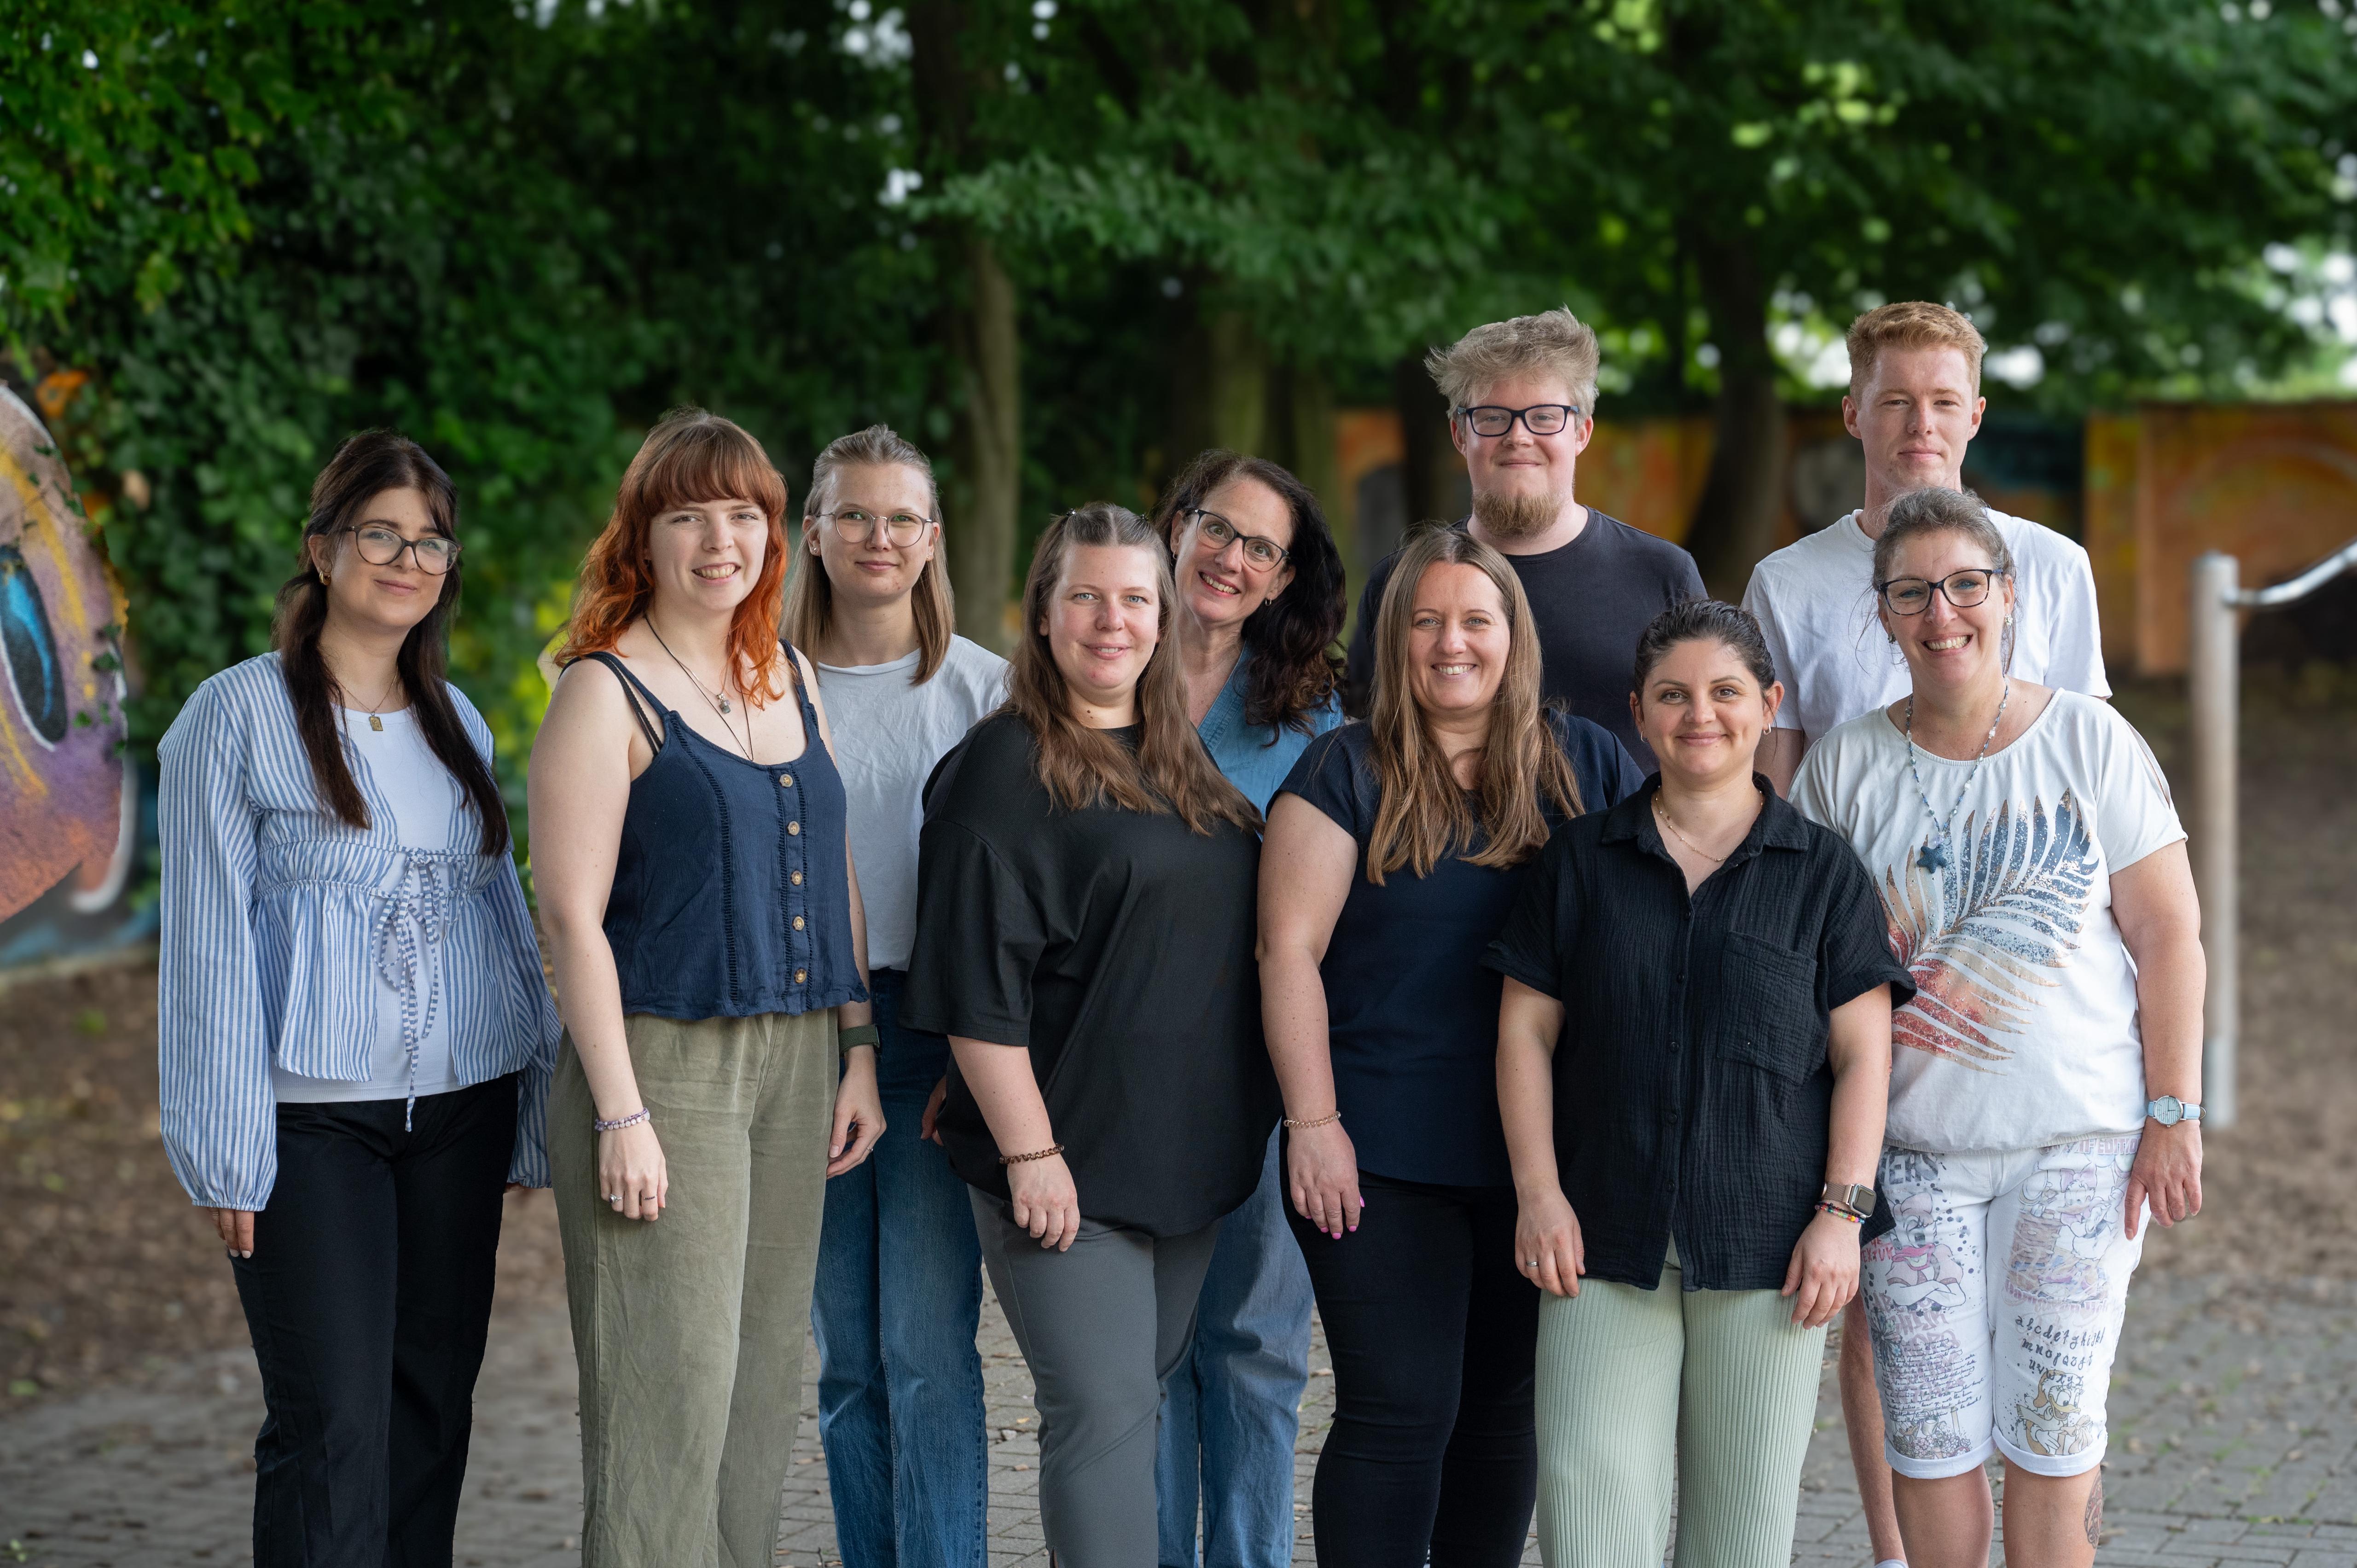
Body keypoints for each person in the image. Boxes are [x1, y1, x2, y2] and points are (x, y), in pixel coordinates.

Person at [1739, 300, 2111, 1568]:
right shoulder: (1790, 584)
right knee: (1890, 1307)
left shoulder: (2051, 566)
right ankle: (1899, 1550)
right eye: (1895, 399)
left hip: (2020, 996)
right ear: (1853, 412)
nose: (1919, 424)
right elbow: (1777, 802)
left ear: (1975, 414)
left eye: (1943, 400)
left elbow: (2087, 783)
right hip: (1865, 987)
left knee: (2049, 1330)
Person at [157, 430, 560, 1566]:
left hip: (460, 1117)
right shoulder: (233, 716)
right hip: (310, 1126)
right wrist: (225, 1147)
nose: (407, 560)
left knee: (430, 1409)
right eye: (380, 533)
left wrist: (532, 1108)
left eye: (430, 541)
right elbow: (205, 946)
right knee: (330, 1424)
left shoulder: (460, 719)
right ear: (322, 548)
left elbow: (499, 920)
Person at [1791, 488, 2204, 1568]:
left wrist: (2173, 1110)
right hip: (1910, 1158)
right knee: (1929, 1441)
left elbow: (2168, 932)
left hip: (2079, 1145)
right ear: (1882, 611)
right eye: (1911, 592)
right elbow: (1811, 976)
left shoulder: (2089, 739)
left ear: (2009, 595)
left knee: (2053, 1432)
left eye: (1965, 584)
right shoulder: (1842, 767)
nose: (1942, 612)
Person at [528, 407, 886, 1567]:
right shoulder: (603, 691)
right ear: (644, 534)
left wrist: (859, 1048)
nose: (720, 540)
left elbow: (835, 868)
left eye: (743, 513)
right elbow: (570, 917)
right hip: (660, 1066)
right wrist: (620, 1113)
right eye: (689, 515)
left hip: (799, 1061)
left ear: (773, 531)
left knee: (758, 1387)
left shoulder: (790, 674)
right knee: (666, 1398)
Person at [1486, 599, 1911, 1566]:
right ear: (1639, 712)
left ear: (1768, 705)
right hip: (1596, 1235)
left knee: (1742, 1539)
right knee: (1591, 1528)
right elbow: (1523, 1034)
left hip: (1771, 1247)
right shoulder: (1580, 860)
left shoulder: (1823, 872)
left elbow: (1863, 1053)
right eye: (1673, 695)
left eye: (1725, 692)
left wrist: (1842, 1214)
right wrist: (1538, 1195)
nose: (1700, 715)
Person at [898, 502, 1277, 1566]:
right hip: (1064, 1160)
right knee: (1102, 1414)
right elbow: (974, 984)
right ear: (1043, 611)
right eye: (1086, 597)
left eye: (1134, 599)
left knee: (1134, 1399)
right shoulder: (1000, 769)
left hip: (1183, 1156)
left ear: (1163, 616)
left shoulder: (1176, 757)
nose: (1113, 621)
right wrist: (1030, 1152)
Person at [1260, 525, 1644, 1568]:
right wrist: (1313, 1124)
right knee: (1399, 1407)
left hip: (1540, 1161)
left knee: (1501, 1410)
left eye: (1475, 620)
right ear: (1395, 639)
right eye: (1425, 622)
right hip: (1377, 1152)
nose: (1451, 643)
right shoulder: (1344, 768)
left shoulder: (1585, 762)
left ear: (1513, 635)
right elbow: (1286, 951)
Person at [793, 425, 1006, 1568]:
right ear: (813, 532)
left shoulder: (984, 688)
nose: (879, 537)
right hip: (801, 1030)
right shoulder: (759, 682)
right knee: (844, 1358)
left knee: (925, 1347)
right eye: (855, 515)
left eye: (902, 518)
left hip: (934, 1025)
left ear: (932, 540)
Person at [1149, 449, 1347, 1568]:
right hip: (1120, 1071)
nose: (1230, 558)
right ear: (1175, 527)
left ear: (1280, 579)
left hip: (1261, 1073)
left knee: (1255, 1347)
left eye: (1259, 547)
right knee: (1144, 1356)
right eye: (1217, 528)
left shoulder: (1313, 725)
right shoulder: (1094, 676)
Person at [1342, 307, 1703, 766]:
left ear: (1581, 432)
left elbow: (1706, 742)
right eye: (1493, 417)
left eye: (1544, 417)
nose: (1518, 436)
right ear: (1460, 434)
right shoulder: (1400, 582)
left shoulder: (1663, 575)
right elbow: (1361, 746)